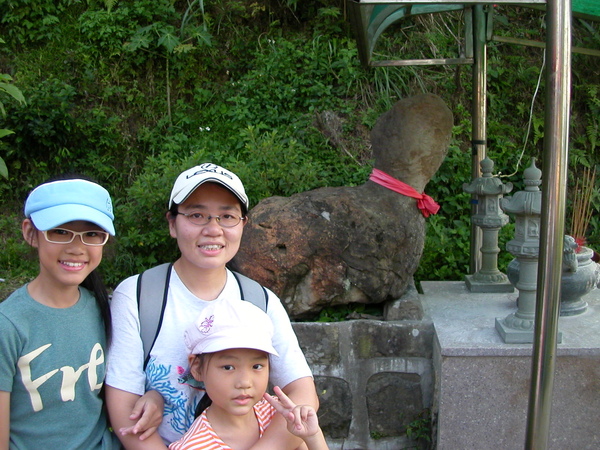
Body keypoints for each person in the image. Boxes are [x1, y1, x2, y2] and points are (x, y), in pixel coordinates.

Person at [105, 163, 318, 449]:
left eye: (227, 216)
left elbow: (302, 392)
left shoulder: (260, 300)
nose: (213, 229)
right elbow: (123, 406)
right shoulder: (138, 295)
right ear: (172, 223)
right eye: (197, 215)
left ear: (243, 224)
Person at [0, 177, 145, 448]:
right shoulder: (8, 325)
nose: (77, 247)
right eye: (60, 231)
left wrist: (154, 398)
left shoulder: (107, 310)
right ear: (30, 233)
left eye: (91, 234)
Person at [169, 299, 327, 450]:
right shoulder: (195, 446)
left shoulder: (280, 416)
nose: (244, 382)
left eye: (257, 366)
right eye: (228, 367)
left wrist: (313, 437)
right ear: (197, 368)